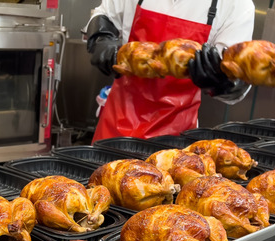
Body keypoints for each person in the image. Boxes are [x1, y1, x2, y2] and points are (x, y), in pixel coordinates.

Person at [85, 0, 256, 141]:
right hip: (116, 127)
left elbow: (237, 81)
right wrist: (102, 40)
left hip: (174, 140)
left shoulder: (235, 5)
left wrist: (220, 80)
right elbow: (104, 14)